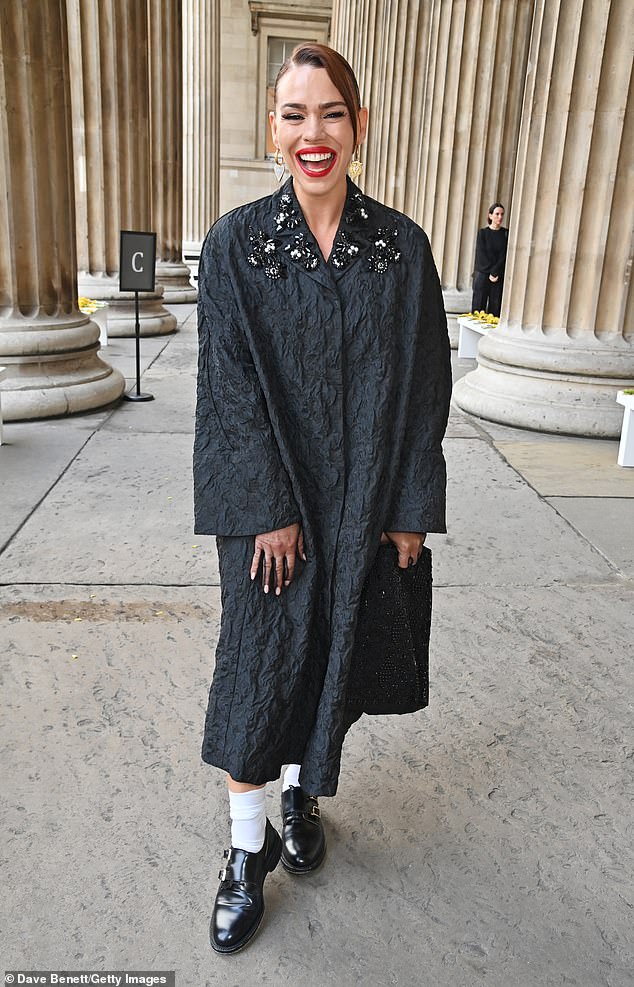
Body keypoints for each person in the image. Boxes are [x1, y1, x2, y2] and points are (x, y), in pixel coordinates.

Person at [193, 43, 452, 954]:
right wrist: (267, 503)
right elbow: (226, 387)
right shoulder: (237, 245)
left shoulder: (400, 250)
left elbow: (426, 384)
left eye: (332, 113)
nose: (314, 134)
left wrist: (411, 503)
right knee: (258, 671)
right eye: (296, 114)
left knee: (331, 661)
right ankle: (242, 850)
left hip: (364, 502)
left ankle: (301, 795)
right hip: (269, 515)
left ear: (359, 126)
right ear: (273, 127)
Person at [471, 202, 508, 317]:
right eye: (497, 214)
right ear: (490, 215)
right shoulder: (483, 233)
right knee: (478, 306)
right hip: (483, 273)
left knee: (495, 307)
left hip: (497, 275)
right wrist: (490, 272)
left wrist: (495, 272)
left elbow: (504, 254)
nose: (500, 217)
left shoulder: (506, 234)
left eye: (502, 214)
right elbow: (481, 254)